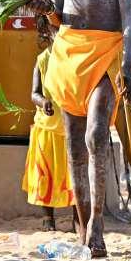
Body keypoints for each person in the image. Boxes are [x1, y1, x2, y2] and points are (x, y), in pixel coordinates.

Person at [32, 0, 131, 258]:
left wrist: (127, 65)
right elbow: (58, 16)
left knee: (96, 134)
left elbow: (129, 16)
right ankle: (81, 223)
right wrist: (43, 10)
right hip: (69, 51)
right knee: (74, 142)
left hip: (105, 50)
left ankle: (98, 221)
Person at [25, 27, 75, 231]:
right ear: (46, 34)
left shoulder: (74, 59)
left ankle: (77, 218)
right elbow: (34, 93)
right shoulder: (43, 60)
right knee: (45, 174)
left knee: (73, 174)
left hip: (70, 126)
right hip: (47, 127)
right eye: (54, 31)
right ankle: (48, 218)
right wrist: (43, 101)